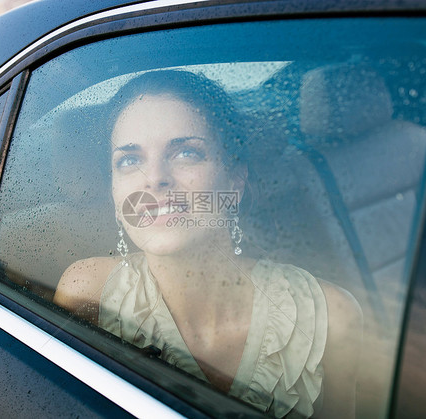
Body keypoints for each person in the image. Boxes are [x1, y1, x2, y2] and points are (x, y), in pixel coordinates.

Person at [54, 70, 362, 418]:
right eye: (130, 160)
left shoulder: (332, 317)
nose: (155, 178)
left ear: (235, 179)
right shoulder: (87, 292)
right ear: (113, 190)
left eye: (186, 153)